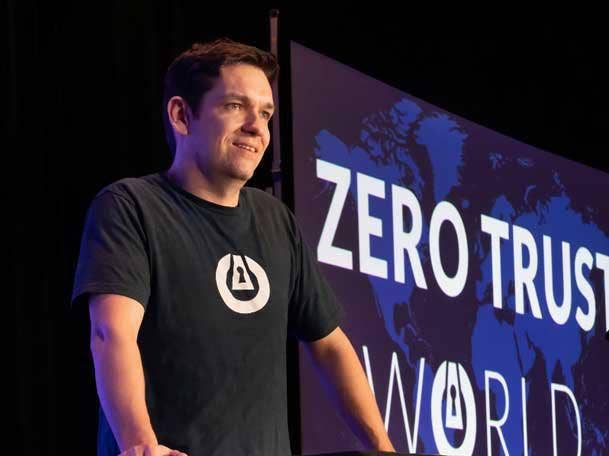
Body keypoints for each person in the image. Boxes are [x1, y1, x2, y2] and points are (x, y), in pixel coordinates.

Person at [72, 38, 395, 456]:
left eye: (265, 113)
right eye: (235, 106)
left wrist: (384, 449)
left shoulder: (276, 220)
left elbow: (330, 346)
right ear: (181, 115)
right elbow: (110, 333)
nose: (257, 127)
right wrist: (141, 446)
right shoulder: (131, 206)